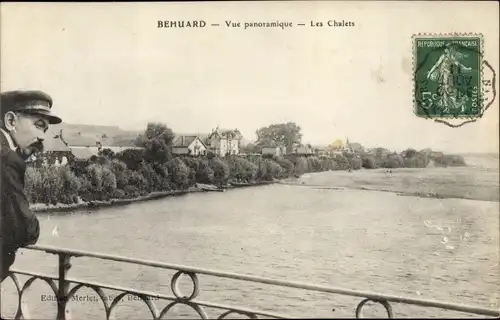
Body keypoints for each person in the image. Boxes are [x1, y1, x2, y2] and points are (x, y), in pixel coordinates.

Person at [0, 90, 62, 282]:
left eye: (44, 130)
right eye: (38, 125)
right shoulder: (6, 159)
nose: (42, 137)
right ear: (11, 122)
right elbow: (25, 229)